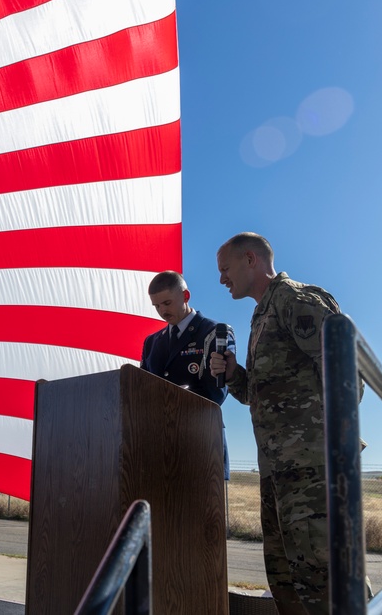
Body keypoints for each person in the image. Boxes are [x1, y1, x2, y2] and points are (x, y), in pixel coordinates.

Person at [209, 233, 342, 615]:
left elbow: (344, 370)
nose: (221, 279)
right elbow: (262, 393)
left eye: (225, 269)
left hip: (311, 469)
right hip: (277, 470)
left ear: (250, 259)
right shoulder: (262, 314)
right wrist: (234, 374)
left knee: (324, 577)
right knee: (286, 579)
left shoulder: (295, 299)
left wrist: (333, 450)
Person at [140, 270, 235, 478]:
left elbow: (216, 394)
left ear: (185, 296)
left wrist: (169, 400)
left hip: (202, 446)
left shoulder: (214, 333)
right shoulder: (152, 343)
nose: (162, 311)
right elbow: (141, 391)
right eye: (156, 306)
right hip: (159, 449)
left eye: (167, 303)